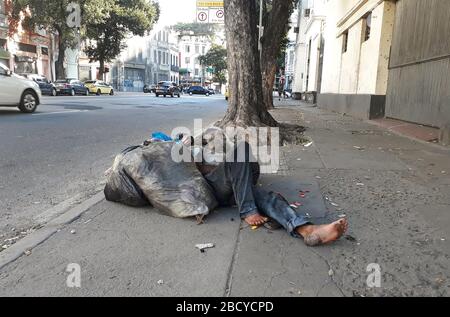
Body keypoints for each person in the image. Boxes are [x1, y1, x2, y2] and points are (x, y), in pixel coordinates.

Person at [186, 138, 348, 247]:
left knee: (270, 198)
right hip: (214, 185)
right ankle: (248, 210)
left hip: (234, 187)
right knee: (242, 148)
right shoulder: (181, 155)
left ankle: (307, 230)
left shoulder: (206, 149)